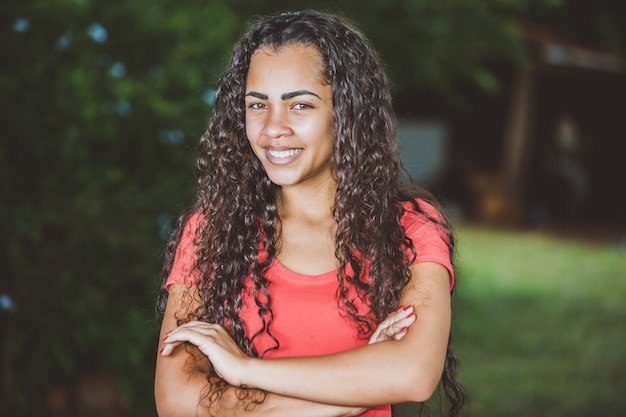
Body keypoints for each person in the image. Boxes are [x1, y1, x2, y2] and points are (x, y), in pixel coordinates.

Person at [155, 10, 465, 417]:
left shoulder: (408, 227)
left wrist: (244, 370)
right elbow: (178, 400)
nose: (272, 128)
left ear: (345, 112)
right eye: (257, 104)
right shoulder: (212, 231)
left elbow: (413, 373)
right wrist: (355, 392)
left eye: (300, 105)